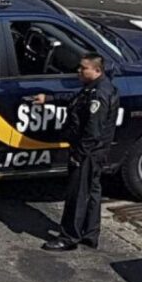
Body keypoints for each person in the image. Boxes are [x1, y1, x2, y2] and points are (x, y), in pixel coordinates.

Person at [30, 53, 119, 251]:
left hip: (88, 153)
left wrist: (79, 155)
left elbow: (93, 131)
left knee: (77, 195)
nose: (79, 70)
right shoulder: (94, 88)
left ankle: (68, 237)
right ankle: (89, 233)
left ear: (96, 70)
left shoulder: (99, 95)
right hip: (94, 152)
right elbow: (77, 99)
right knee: (92, 192)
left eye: (83, 68)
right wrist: (50, 98)